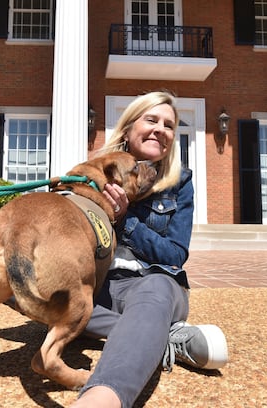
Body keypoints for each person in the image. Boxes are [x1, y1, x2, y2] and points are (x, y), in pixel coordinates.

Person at [70, 91, 228, 408]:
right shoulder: (94, 171)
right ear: (128, 129)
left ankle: (103, 398)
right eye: (151, 120)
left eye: (169, 125)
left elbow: (174, 255)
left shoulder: (179, 182)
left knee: (154, 288)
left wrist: (125, 219)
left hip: (153, 283)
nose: (161, 129)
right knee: (29, 282)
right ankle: (159, 337)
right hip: (100, 286)